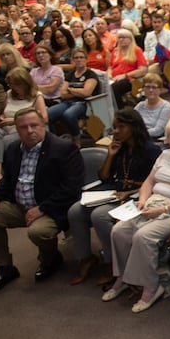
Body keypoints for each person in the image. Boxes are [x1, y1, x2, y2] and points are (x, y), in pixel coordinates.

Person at [104, 116, 170, 313]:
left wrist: (163, 210)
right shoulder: (164, 156)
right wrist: (143, 200)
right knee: (118, 231)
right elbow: (148, 182)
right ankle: (122, 277)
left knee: (143, 237)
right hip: (152, 204)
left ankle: (152, 287)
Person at [0, 108, 84, 295]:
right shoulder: (13, 149)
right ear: (17, 130)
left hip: (50, 208)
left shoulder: (64, 149)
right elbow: (8, 180)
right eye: (24, 127)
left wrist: (42, 208)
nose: (30, 130)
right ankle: (5, 267)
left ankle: (51, 259)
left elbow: (72, 189)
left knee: (38, 232)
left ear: (44, 125)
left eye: (34, 125)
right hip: (20, 205)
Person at [67, 109, 161, 286]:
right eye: (114, 127)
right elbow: (104, 177)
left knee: (99, 215)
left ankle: (113, 263)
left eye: (121, 127)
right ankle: (85, 258)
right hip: (114, 192)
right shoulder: (120, 148)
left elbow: (155, 183)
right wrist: (110, 155)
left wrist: (129, 192)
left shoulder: (151, 150)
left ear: (133, 127)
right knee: (75, 211)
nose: (115, 131)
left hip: (137, 197)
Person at [47, 49, 99, 146]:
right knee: (47, 114)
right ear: (73, 60)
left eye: (81, 57)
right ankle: (53, 140)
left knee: (69, 114)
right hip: (67, 102)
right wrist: (78, 91)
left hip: (83, 104)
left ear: (86, 59)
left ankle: (76, 139)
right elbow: (62, 93)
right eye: (76, 58)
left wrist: (70, 90)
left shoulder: (90, 74)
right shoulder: (70, 75)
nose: (79, 60)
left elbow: (87, 92)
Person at [108, 29, 148, 109]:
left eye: (124, 38)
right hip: (113, 79)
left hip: (130, 79)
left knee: (114, 88)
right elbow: (110, 67)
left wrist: (124, 75)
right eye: (119, 38)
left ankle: (120, 110)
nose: (121, 40)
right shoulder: (115, 51)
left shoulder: (136, 50)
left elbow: (143, 70)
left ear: (130, 39)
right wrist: (109, 74)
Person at [134, 74, 170, 139]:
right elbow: (130, 122)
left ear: (160, 89)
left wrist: (137, 133)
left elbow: (158, 131)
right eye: (147, 87)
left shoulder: (166, 107)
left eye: (154, 87)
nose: (151, 90)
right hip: (139, 138)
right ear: (143, 88)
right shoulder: (140, 106)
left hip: (155, 140)